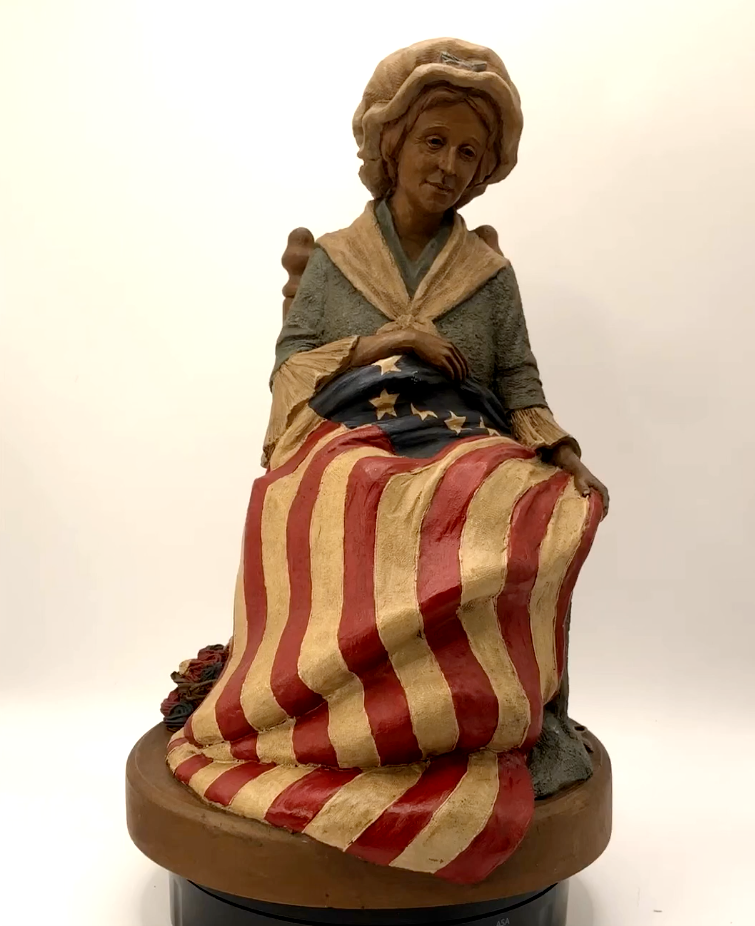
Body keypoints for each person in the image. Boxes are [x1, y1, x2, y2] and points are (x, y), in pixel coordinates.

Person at [165, 38, 607, 886]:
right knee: (350, 486)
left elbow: (517, 380)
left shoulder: (487, 275)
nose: (447, 165)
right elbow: (290, 364)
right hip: (347, 430)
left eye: (467, 153)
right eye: (433, 141)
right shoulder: (336, 260)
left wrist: (558, 447)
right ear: (391, 145)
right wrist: (386, 342)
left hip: (462, 434)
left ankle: (472, 717)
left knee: (523, 498)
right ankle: (330, 716)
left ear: (482, 173)